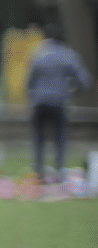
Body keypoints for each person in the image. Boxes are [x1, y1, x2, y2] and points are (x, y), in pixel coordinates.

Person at [27, 23, 91, 183]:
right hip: (59, 102)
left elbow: (29, 81)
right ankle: (58, 172)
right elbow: (85, 81)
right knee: (60, 140)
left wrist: (34, 95)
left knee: (39, 139)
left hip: (39, 103)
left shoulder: (38, 53)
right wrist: (73, 90)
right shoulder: (68, 55)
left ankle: (39, 173)